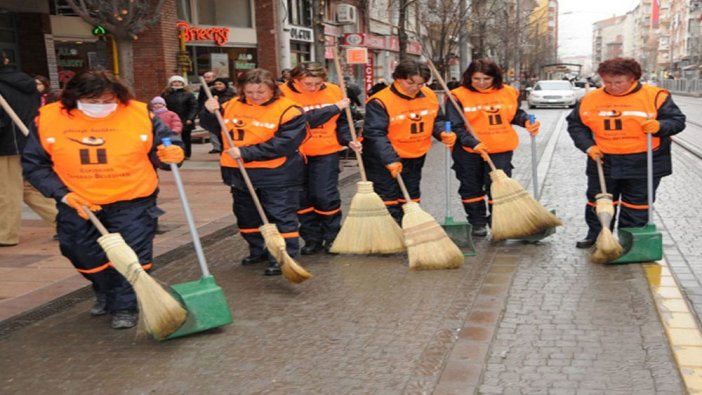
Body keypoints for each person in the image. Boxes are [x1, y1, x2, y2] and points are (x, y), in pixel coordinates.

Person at [22, 70, 185, 329]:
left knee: (133, 255)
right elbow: (35, 165)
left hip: (133, 198)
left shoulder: (139, 113)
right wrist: (63, 195)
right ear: (75, 97)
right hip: (79, 201)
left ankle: (125, 305)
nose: (100, 107)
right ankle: (105, 289)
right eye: (92, 101)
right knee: (79, 251)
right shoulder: (48, 119)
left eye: (107, 101)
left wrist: (173, 151)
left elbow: (166, 140)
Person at [566, 57, 686, 249]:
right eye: (607, 82)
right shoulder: (590, 99)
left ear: (633, 79)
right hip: (603, 159)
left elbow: (677, 121)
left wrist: (660, 126)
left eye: (618, 82)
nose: (612, 87)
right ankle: (598, 235)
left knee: (636, 204)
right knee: (600, 200)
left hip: (644, 160)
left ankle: (629, 240)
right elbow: (576, 125)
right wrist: (588, 146)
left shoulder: (656, 96)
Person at [203, 69, 306, 276]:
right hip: (239, 172)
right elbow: (215, 127)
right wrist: (208, 112)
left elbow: (285, 143)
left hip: (277, 172)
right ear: (241, 90)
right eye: (250, 92)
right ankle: (257, 250)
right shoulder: (231, 105)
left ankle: (283, 257)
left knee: (280, 216)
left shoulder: (289, 110)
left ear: (273, 89)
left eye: (261, 92)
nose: (255, 96)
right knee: (246, 216)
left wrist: (246, 152)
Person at [445, 59, 540, 237]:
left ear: (495, 78)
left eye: (486, 79)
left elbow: (513, 114)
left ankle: (497, 219)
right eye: (476, 79)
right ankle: (477, 221)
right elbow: (455, 126)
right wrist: (473, 143)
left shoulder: (509, 92)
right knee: (471, 186)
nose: (481, 83)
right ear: (469, 77)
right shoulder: (457, 96)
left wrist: (525, 120)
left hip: (500, 148)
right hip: (468, 151)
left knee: (498, 187)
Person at [279, 62, 361, 254]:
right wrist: (334, 108)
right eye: (308, 83)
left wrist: (349, 140)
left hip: (326, 152)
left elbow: (343, 122)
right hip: (294, 154)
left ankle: (332, 237)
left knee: (324, 196)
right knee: (301, 198)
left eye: (318, 83)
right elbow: (300, 120)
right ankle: (311, 238)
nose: (313, 88)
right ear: (295, 79)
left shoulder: (335, 91)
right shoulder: (282, 94)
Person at [362, 59, 452, 223]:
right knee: (387, 196)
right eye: (410, 82)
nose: (415, 87)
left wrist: (442, 133)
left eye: (420, 84)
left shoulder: (429, 96)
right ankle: (391, 233)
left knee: (411, 195)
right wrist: (390, 160)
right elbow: (375, 134)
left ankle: (409, 227)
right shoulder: (380, 101)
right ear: (398, 78)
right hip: (384, 158)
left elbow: (437, 119)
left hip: (415, 155)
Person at [0, 51, 58, 247]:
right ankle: (65, 220)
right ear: (6, 61)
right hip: (27, 140)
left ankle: (5, 234)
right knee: (26, 188)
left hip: (7, 145)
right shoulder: (27, 84)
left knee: (7, 190)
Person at [162, 75, 197, 159]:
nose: (177, 84)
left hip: (185, 118)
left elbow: (194, 107)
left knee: (186, 137)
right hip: (170, 119)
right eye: (174, 82)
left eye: (179, 82)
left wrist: (190, 118)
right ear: (171, 83)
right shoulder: (165, 94)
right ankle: (172, 152)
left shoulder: (188, 94)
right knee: (171, 137)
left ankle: (186, 153)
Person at [198, 77, 236, 154]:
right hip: (216, 120)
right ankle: (223, 151)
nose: (218, 86)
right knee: (220, 138)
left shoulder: (232, 95)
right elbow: (205, 107)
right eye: (216, 84)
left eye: (220, 84)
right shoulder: (210, 95)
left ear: (225, 85)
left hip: (229, 120)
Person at [197, 70, 222, 153]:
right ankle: (216, 146)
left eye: (208, 77)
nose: (206, 79)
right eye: (205, 77)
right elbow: (201, 99)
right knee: (212, 129)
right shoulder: (203, 87)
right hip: (208, 110)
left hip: (220, 110)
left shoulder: (219, 86)